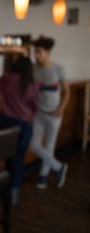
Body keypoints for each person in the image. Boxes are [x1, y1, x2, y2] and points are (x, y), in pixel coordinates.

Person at [0, 56, 38, 206]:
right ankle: (14, 195)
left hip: (5, 123)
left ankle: (6, 190)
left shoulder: (4, 79)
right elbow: (35, 106)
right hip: (23, 125)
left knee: (8, 158)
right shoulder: (30, 84)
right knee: (18, 160)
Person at [30, 35, 70, 189]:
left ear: (47, 52)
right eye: (35, 52)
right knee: (34, 145)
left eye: (39, 52)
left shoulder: (58, 69)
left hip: (55, 114)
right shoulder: (33, 69)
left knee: (50, 146)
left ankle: (43, 177)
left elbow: (67, 91)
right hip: (39, 113)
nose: (36, 55)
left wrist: (61, 109)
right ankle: (59, 167)